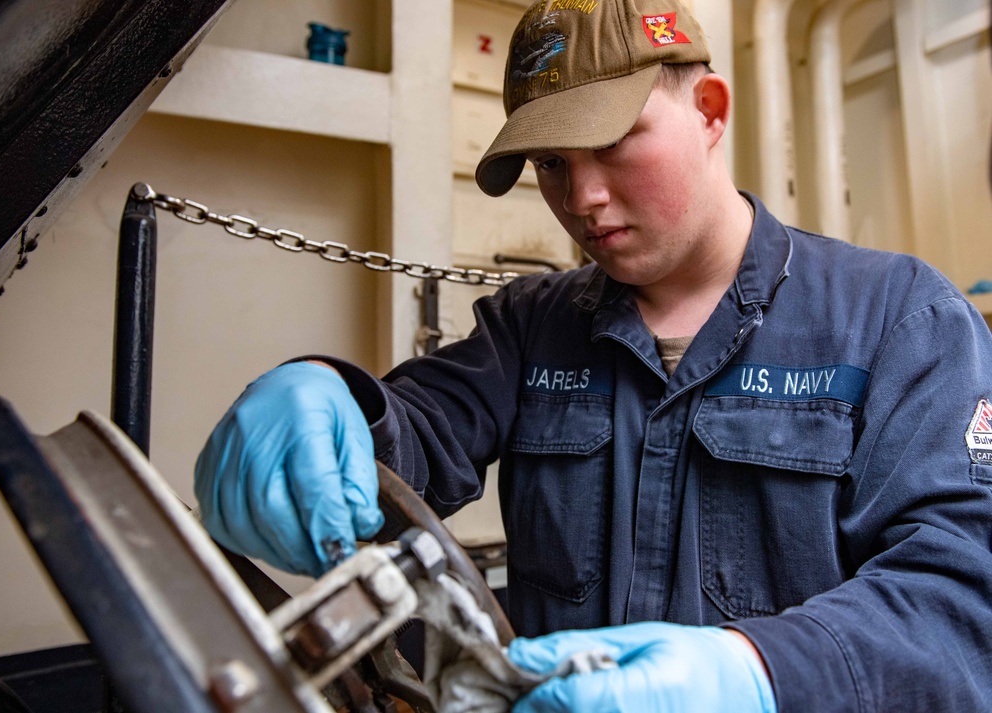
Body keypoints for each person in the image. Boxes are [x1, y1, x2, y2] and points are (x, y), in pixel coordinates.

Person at [194, 1, 992, 710]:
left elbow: (960, 597)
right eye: (552, 165)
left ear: (710, 110)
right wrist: (330, 401)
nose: (581, 199)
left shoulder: (900, 320)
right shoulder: (529, 326)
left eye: (608, 143)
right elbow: (418, 428)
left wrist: (757, 672)